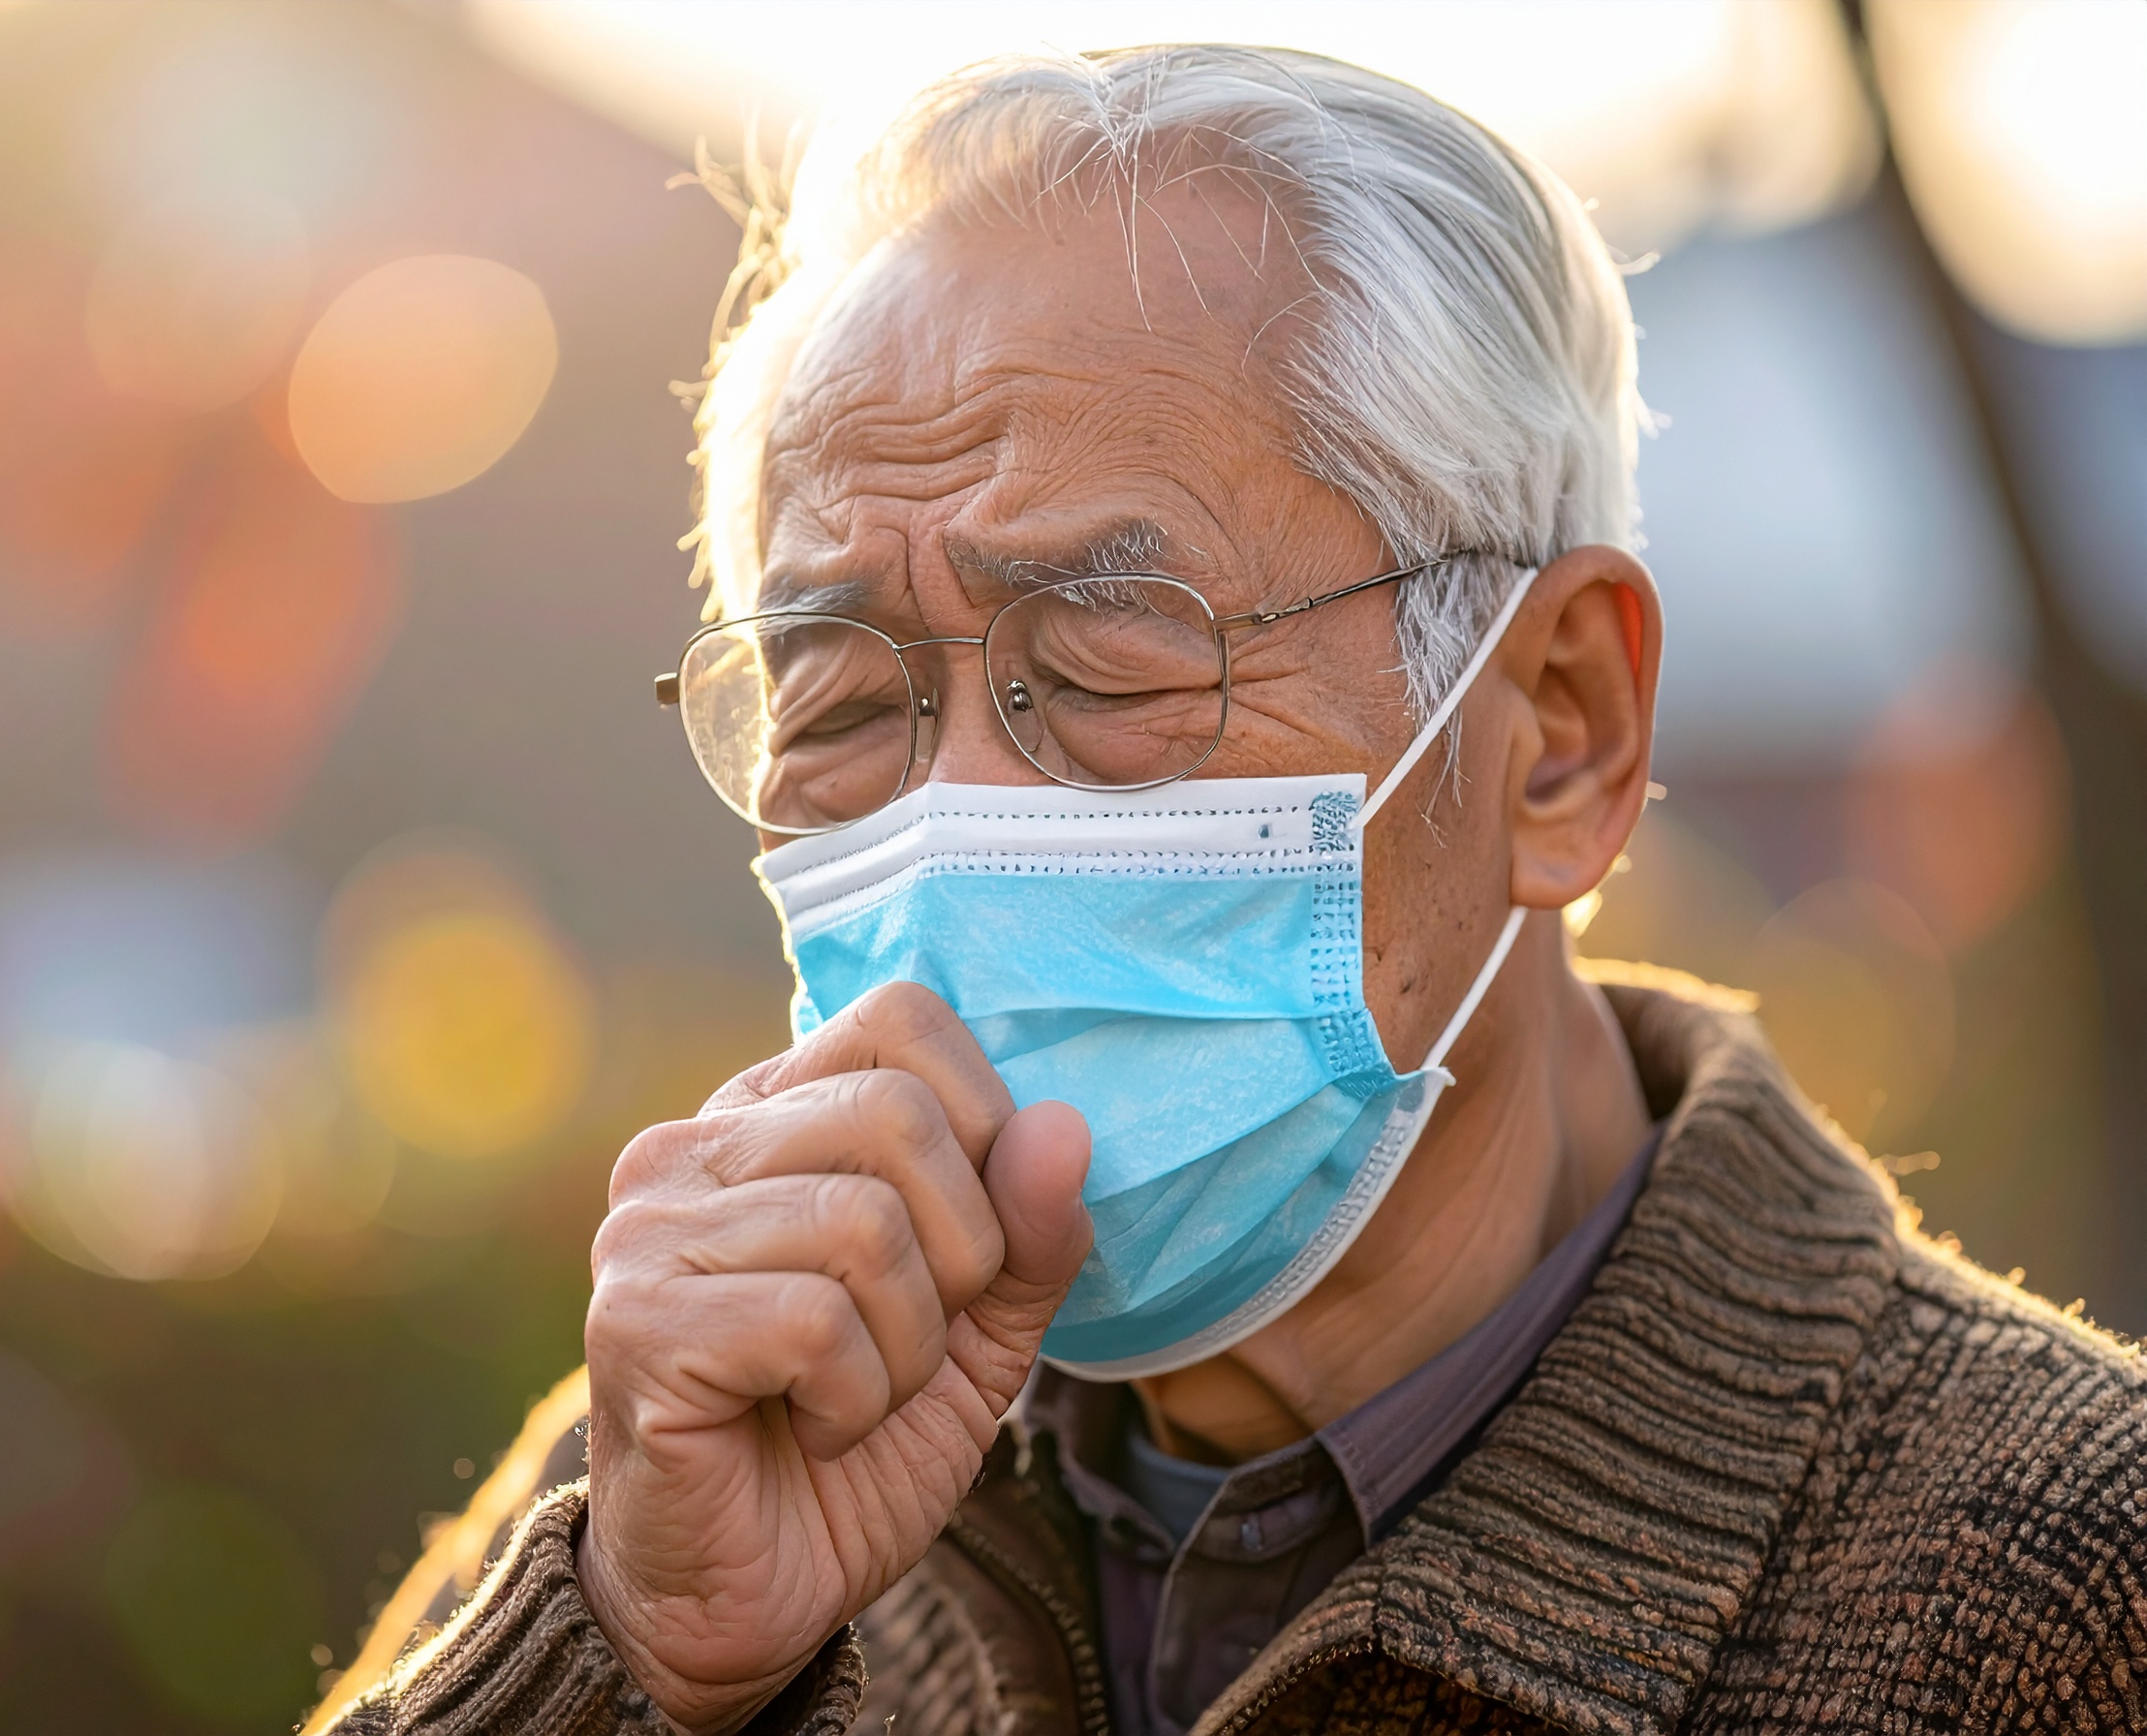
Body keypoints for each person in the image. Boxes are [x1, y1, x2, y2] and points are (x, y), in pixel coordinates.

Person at [313, 46, 2147, 1736]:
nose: (957, 825)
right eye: (846, 706)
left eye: (1111, 670)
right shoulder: (695, 1457)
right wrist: (634, 1655)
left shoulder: (2066, 1582)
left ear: (1560, 730)